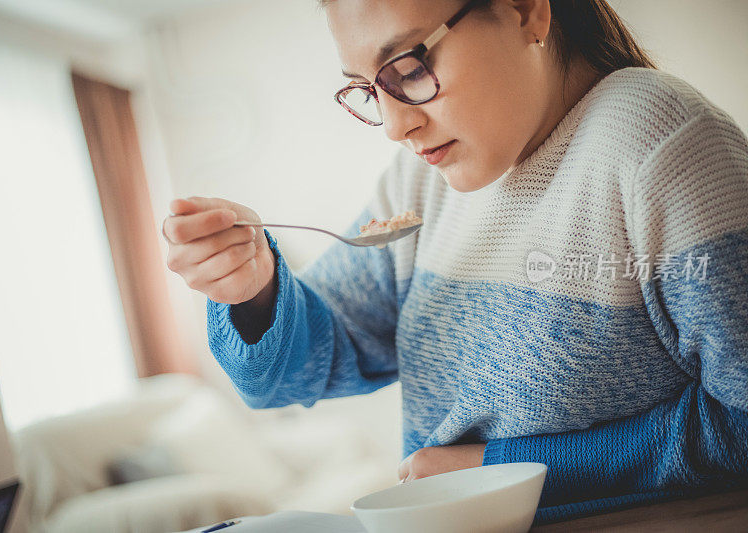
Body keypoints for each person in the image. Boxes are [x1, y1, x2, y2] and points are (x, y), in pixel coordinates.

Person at [162, 0, 748, 524]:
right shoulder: (418, 186)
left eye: (410, 68)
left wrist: (503, 469)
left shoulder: (662, 145)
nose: (394, 127)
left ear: (525, 10)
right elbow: (287, 377)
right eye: (369, 90)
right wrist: (253, 289)